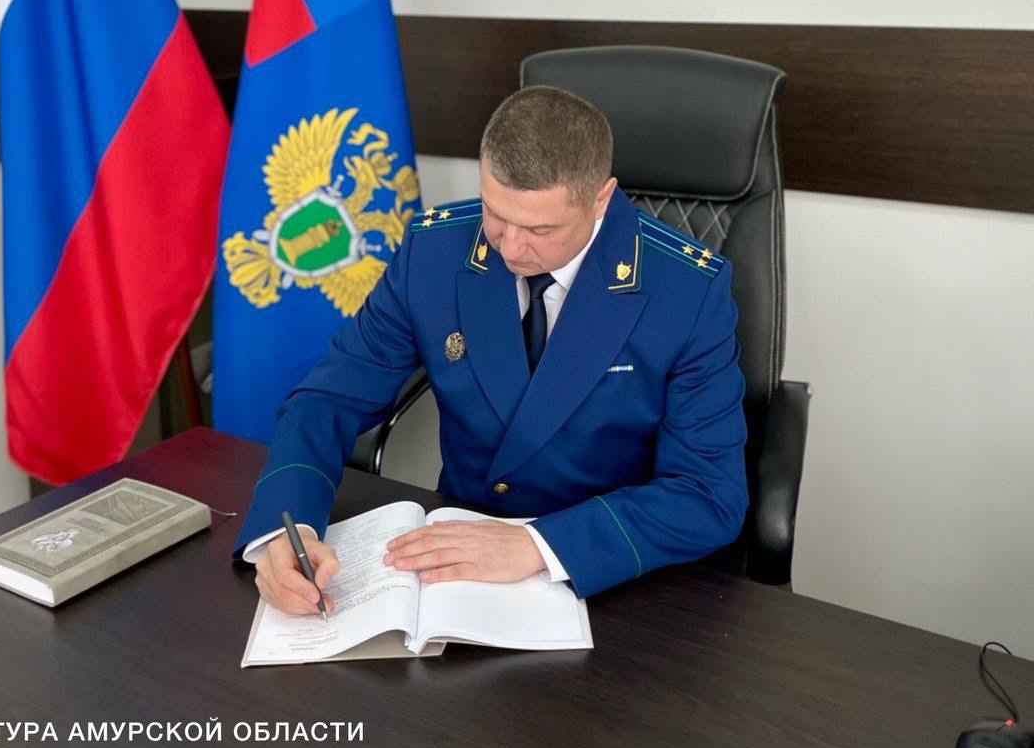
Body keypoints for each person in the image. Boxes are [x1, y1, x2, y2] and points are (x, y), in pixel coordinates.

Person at [233, 85, 748, 615]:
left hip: (609, 577)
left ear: (601, 199)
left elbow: (708, 495)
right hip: (456, 559)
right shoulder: (434, 251)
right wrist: (284, 528)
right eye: (495, 213)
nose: (509, 246)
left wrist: (538, 545)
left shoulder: (687, 291)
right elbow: (329, 398)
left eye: (540, 228)